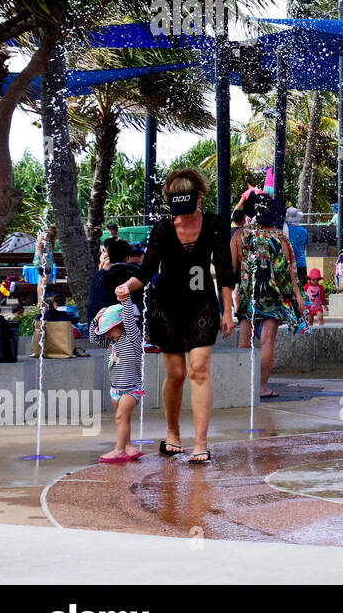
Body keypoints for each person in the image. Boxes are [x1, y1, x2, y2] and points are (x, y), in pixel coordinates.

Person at [116, 168, 236, 464]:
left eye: (186, 207)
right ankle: (172, 434)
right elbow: (145, 273)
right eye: (176, 209)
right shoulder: (162, 227)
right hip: (166, 307)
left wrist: (228, 310)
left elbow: (224, 269)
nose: (181, 216)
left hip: (202, 305)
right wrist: (127, 285)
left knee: (198, 369)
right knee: (177, 374)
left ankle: (201, 443)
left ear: (198, 198)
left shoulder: (214, 224)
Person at [232, 194, 304, 399]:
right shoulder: (281, 238)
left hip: (249, 292)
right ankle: (262, 387)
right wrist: (297, 295)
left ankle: (243, 384)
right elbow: (291, 270)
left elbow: (232, 267)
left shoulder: (241, 235)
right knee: (267, 341)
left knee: (244, 341)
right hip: (273, 293)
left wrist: (234, 291)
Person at [92, 301, 145, 463]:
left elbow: (129, 321)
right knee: (123, 419)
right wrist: (95, 321)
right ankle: (128, 446)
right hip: (116, 389)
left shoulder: (132, 340)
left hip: (130, 389)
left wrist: (126, 300)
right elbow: (94, 340)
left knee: (121, 418)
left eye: (109, 330)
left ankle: (119, 450)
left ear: (121, 325)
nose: (107, 334)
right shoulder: (111, 343)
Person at [86, 238, 142, 328]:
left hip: (95, 326)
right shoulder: (132, 273)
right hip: (118, 328)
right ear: (126, 258)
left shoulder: (98, 275)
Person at [285, 207, 310, 289]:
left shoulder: (285, 229)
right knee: (303, 287)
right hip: (301, 262)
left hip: (290, 263)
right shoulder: (304, 231)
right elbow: (304, 246)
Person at [32, 223, 57, 305]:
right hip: (42, 261)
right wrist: (42, 258)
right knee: (42, 281)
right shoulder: (44, 235)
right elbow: (39, 247)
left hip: (48, 262)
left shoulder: (50, 237)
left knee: (44, 281)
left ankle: (41, 301)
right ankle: (40, 302)